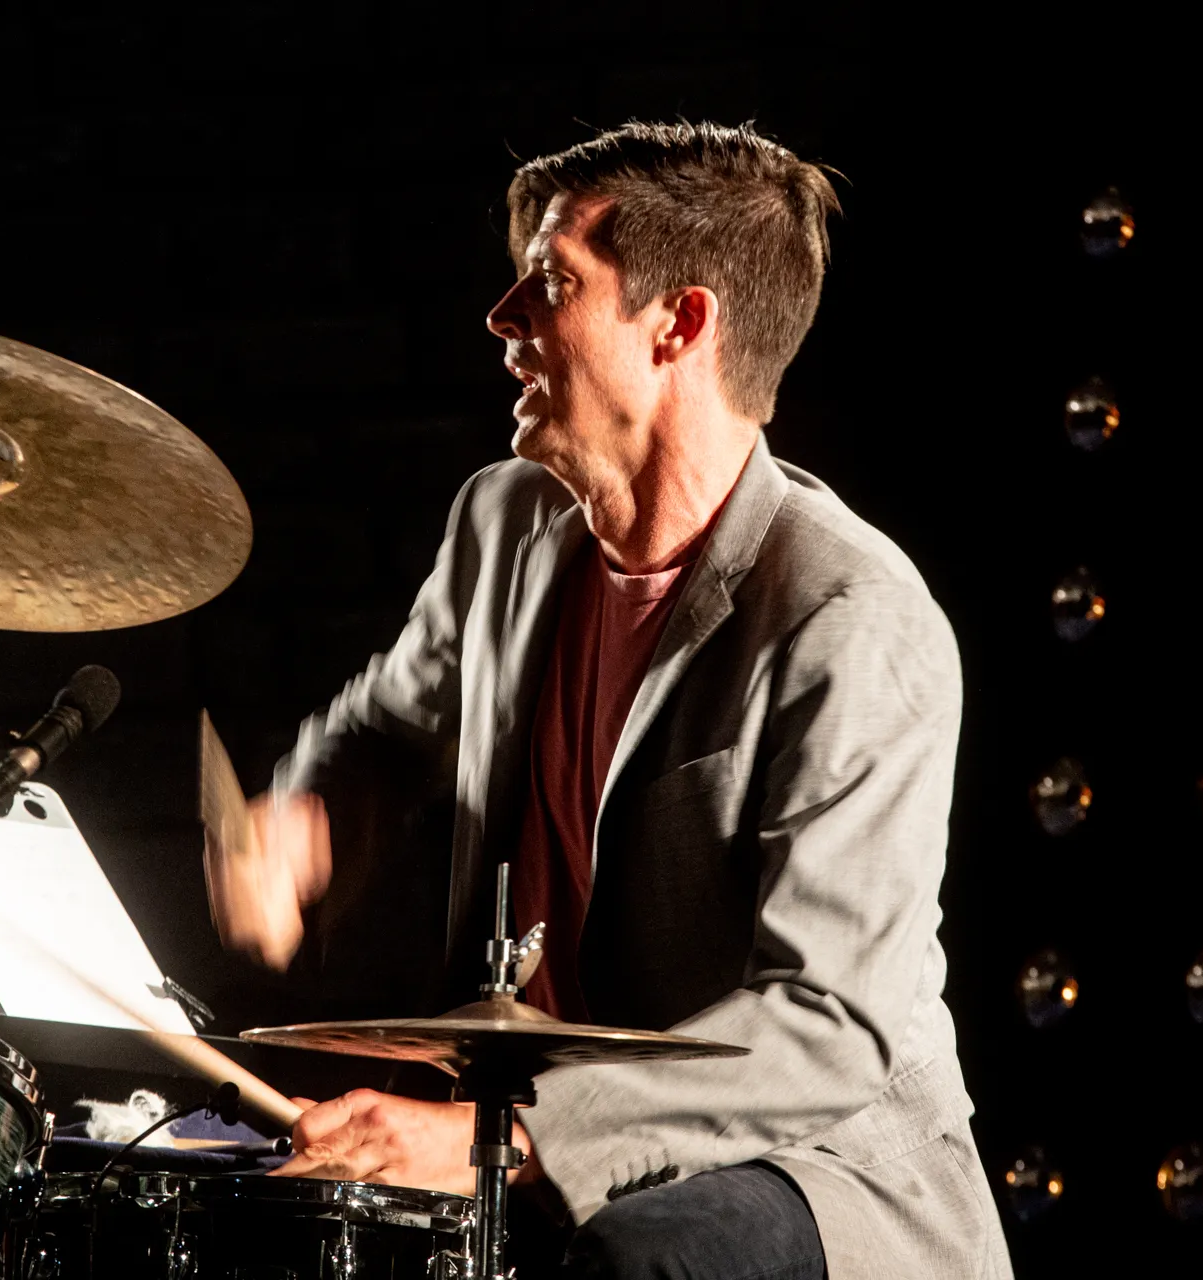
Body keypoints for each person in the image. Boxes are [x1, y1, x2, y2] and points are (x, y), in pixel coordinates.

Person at [205, 121, 1011, 1279]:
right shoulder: (504, 522)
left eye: (550, 283)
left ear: (679, 323)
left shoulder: (852, 614)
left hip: (814, 1165)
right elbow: (390, 724)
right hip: (550, 1134)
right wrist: (311, 818)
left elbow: (830, 1025)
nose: (502, 317)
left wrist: (508, 1140)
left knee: (643, 1263)